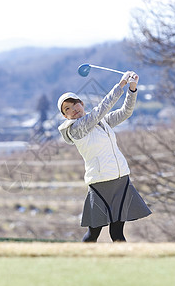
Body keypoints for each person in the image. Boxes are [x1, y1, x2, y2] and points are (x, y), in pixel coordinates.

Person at [57, 71, 151, 242]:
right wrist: (120, 85)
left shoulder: (102, 122)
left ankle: (124, 264)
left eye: (75, 104)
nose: (73, 110)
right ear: (65, 116)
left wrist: (132, 88)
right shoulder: (76, 129)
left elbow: (125, 112)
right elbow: (101, 109)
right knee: (94, 233)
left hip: (120, 178)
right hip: (101, 183)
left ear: (82, 104)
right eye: (67, 109)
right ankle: (80, 263)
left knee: (117, 232)